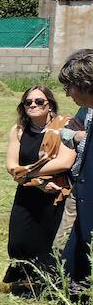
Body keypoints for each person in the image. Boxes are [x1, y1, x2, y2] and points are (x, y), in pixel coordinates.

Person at [3, 85, 74, 296]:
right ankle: (25, 282)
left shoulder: (65, 127)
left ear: (50, 105)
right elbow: (11, 166)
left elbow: (65, 161)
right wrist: (37, 180)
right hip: (27, 194)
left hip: (54, 194)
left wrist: (28, 174)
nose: (33, 105)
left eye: (39, 101)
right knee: (19, 240)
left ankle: (46, 287)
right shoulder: (18, 130)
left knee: (48, 241)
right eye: (28, 102)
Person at [58, 50, 93, 287]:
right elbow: (66, 132)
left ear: (85, 84)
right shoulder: (86, 113)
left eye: (70, 87)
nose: (68, 94)